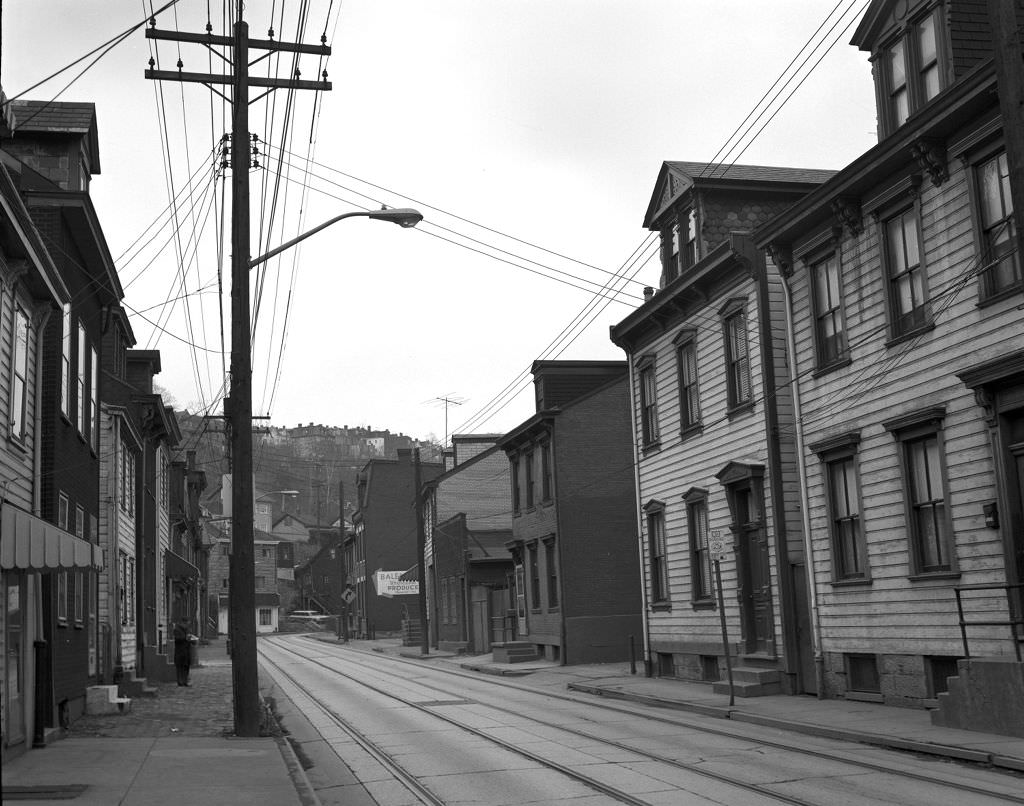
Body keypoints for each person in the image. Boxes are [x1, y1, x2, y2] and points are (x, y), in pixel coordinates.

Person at [172, 618, 193, 686]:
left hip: (186, 651)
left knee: (186, 666)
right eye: (187, 623)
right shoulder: (177, 629)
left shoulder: (187, 629)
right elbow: (177, 639)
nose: (188, 625)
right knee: (180, 667)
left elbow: (189, 638)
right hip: (180, 651)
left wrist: (192, 640)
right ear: (183, 623)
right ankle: (180, 682)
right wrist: (185, 638)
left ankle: (185, 681)